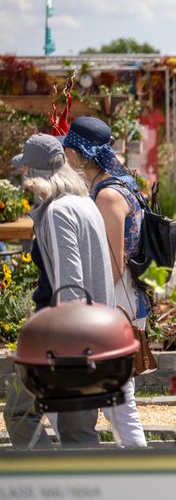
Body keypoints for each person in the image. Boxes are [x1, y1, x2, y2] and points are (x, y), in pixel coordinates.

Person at [3, 133, 114, 448]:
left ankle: (46, 475)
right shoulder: (85, 203)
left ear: (38, 174)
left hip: (65, 337)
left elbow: (70, 282)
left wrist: (58, 345)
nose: (24, 179)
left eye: (27, 171)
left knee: (19, 413)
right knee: (78, 430)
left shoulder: (57, 212)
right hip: (95, 333)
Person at [61, 116, 148, 447]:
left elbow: (112, 264)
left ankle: (143, 468)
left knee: (121, 402)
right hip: (125, 300)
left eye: (68, 150)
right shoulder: (119, 185)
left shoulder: (108, 196)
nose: (66, 157)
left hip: (115, 302)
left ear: (79, 154)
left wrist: (90, 309)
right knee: (119, 401)